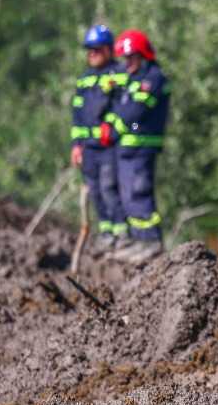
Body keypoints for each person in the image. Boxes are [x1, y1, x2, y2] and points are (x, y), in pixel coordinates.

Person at [108, 29, 168, 264]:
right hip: (128, 147)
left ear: (143, 55)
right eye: (125, 59)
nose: (127, 63)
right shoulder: (132, 78)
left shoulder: (153, 77)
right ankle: (138, 240)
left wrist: (119, 126)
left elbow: (136, 113)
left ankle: (151, 241)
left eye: (131, 58)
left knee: (139, 194)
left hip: (142, 146)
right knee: (127, 196)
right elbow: (121, 107)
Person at [71, 24, 128, 253]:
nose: (91, 54)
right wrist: (76, 146)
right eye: (89, 49)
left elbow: (130, 112)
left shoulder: (120, 75)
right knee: (95, 191)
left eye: (96, 49)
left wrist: (114, 129)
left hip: (109, 147)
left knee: (110, 188)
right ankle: (106, 233)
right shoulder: (84, 80)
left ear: (108, 50)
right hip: (89, 149)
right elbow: (77, 115)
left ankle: (121, 234)